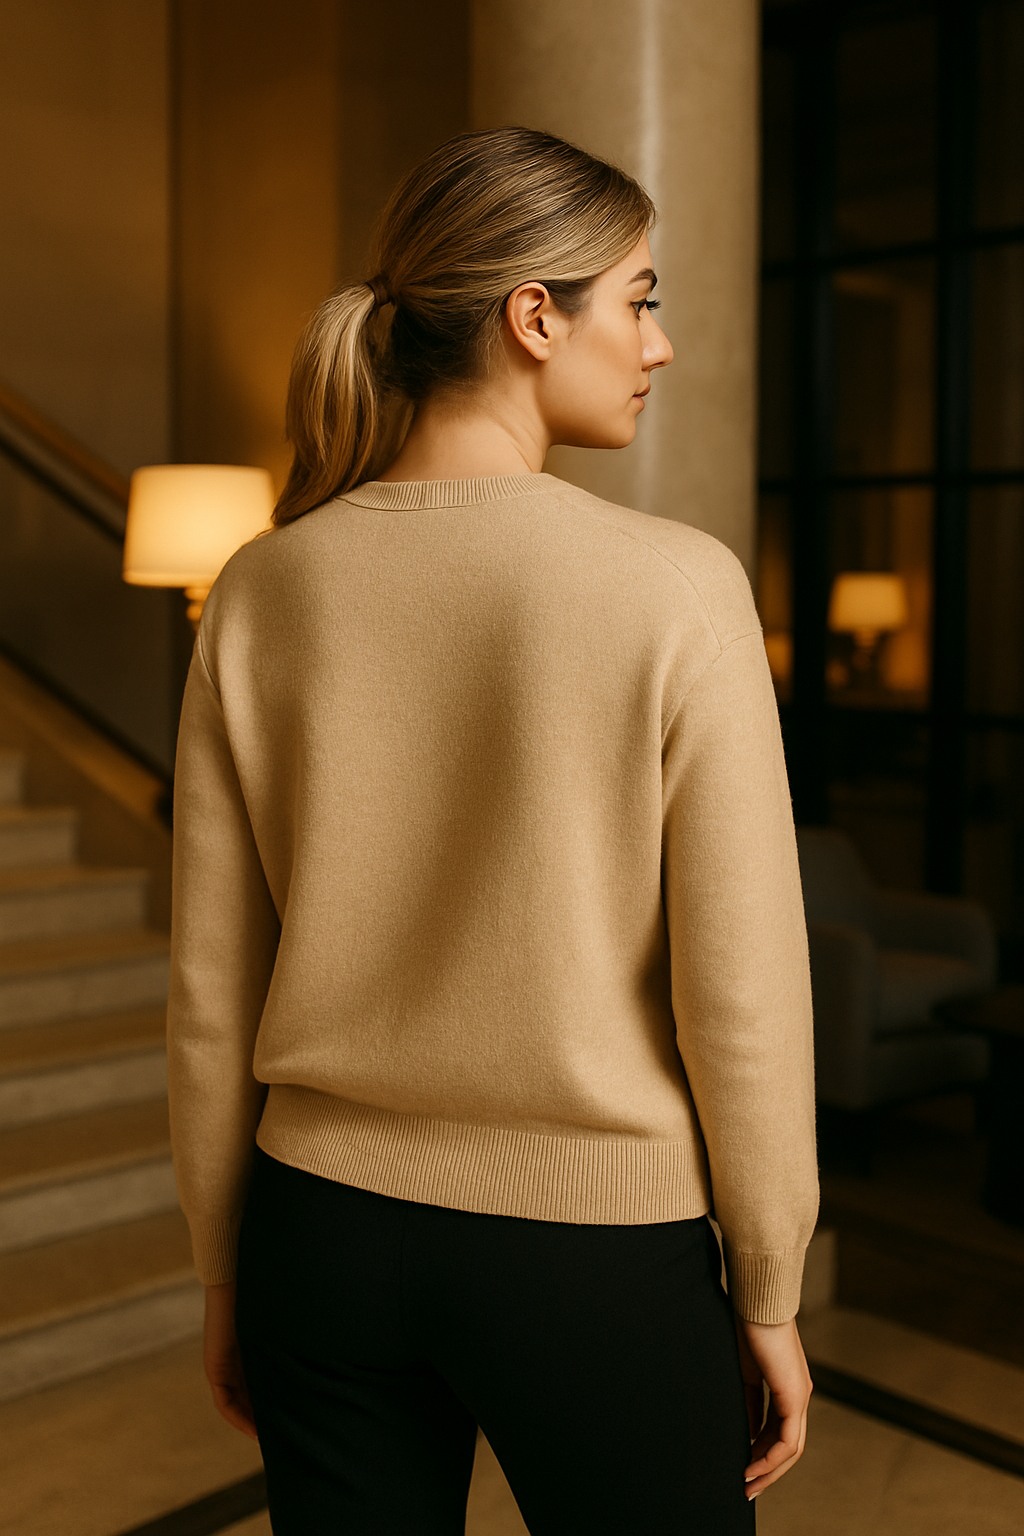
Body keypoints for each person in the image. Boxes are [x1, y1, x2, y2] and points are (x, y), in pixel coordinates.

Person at [167, 125, 819, 1535]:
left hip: (317, 1233)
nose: (656, 342)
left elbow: (211, 994)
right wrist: (769, 1285)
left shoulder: (264, 589)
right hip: (594, 1251)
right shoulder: (675, 588)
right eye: (637, 297)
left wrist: (228, 1268)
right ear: (535, 317)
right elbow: (744, 995)